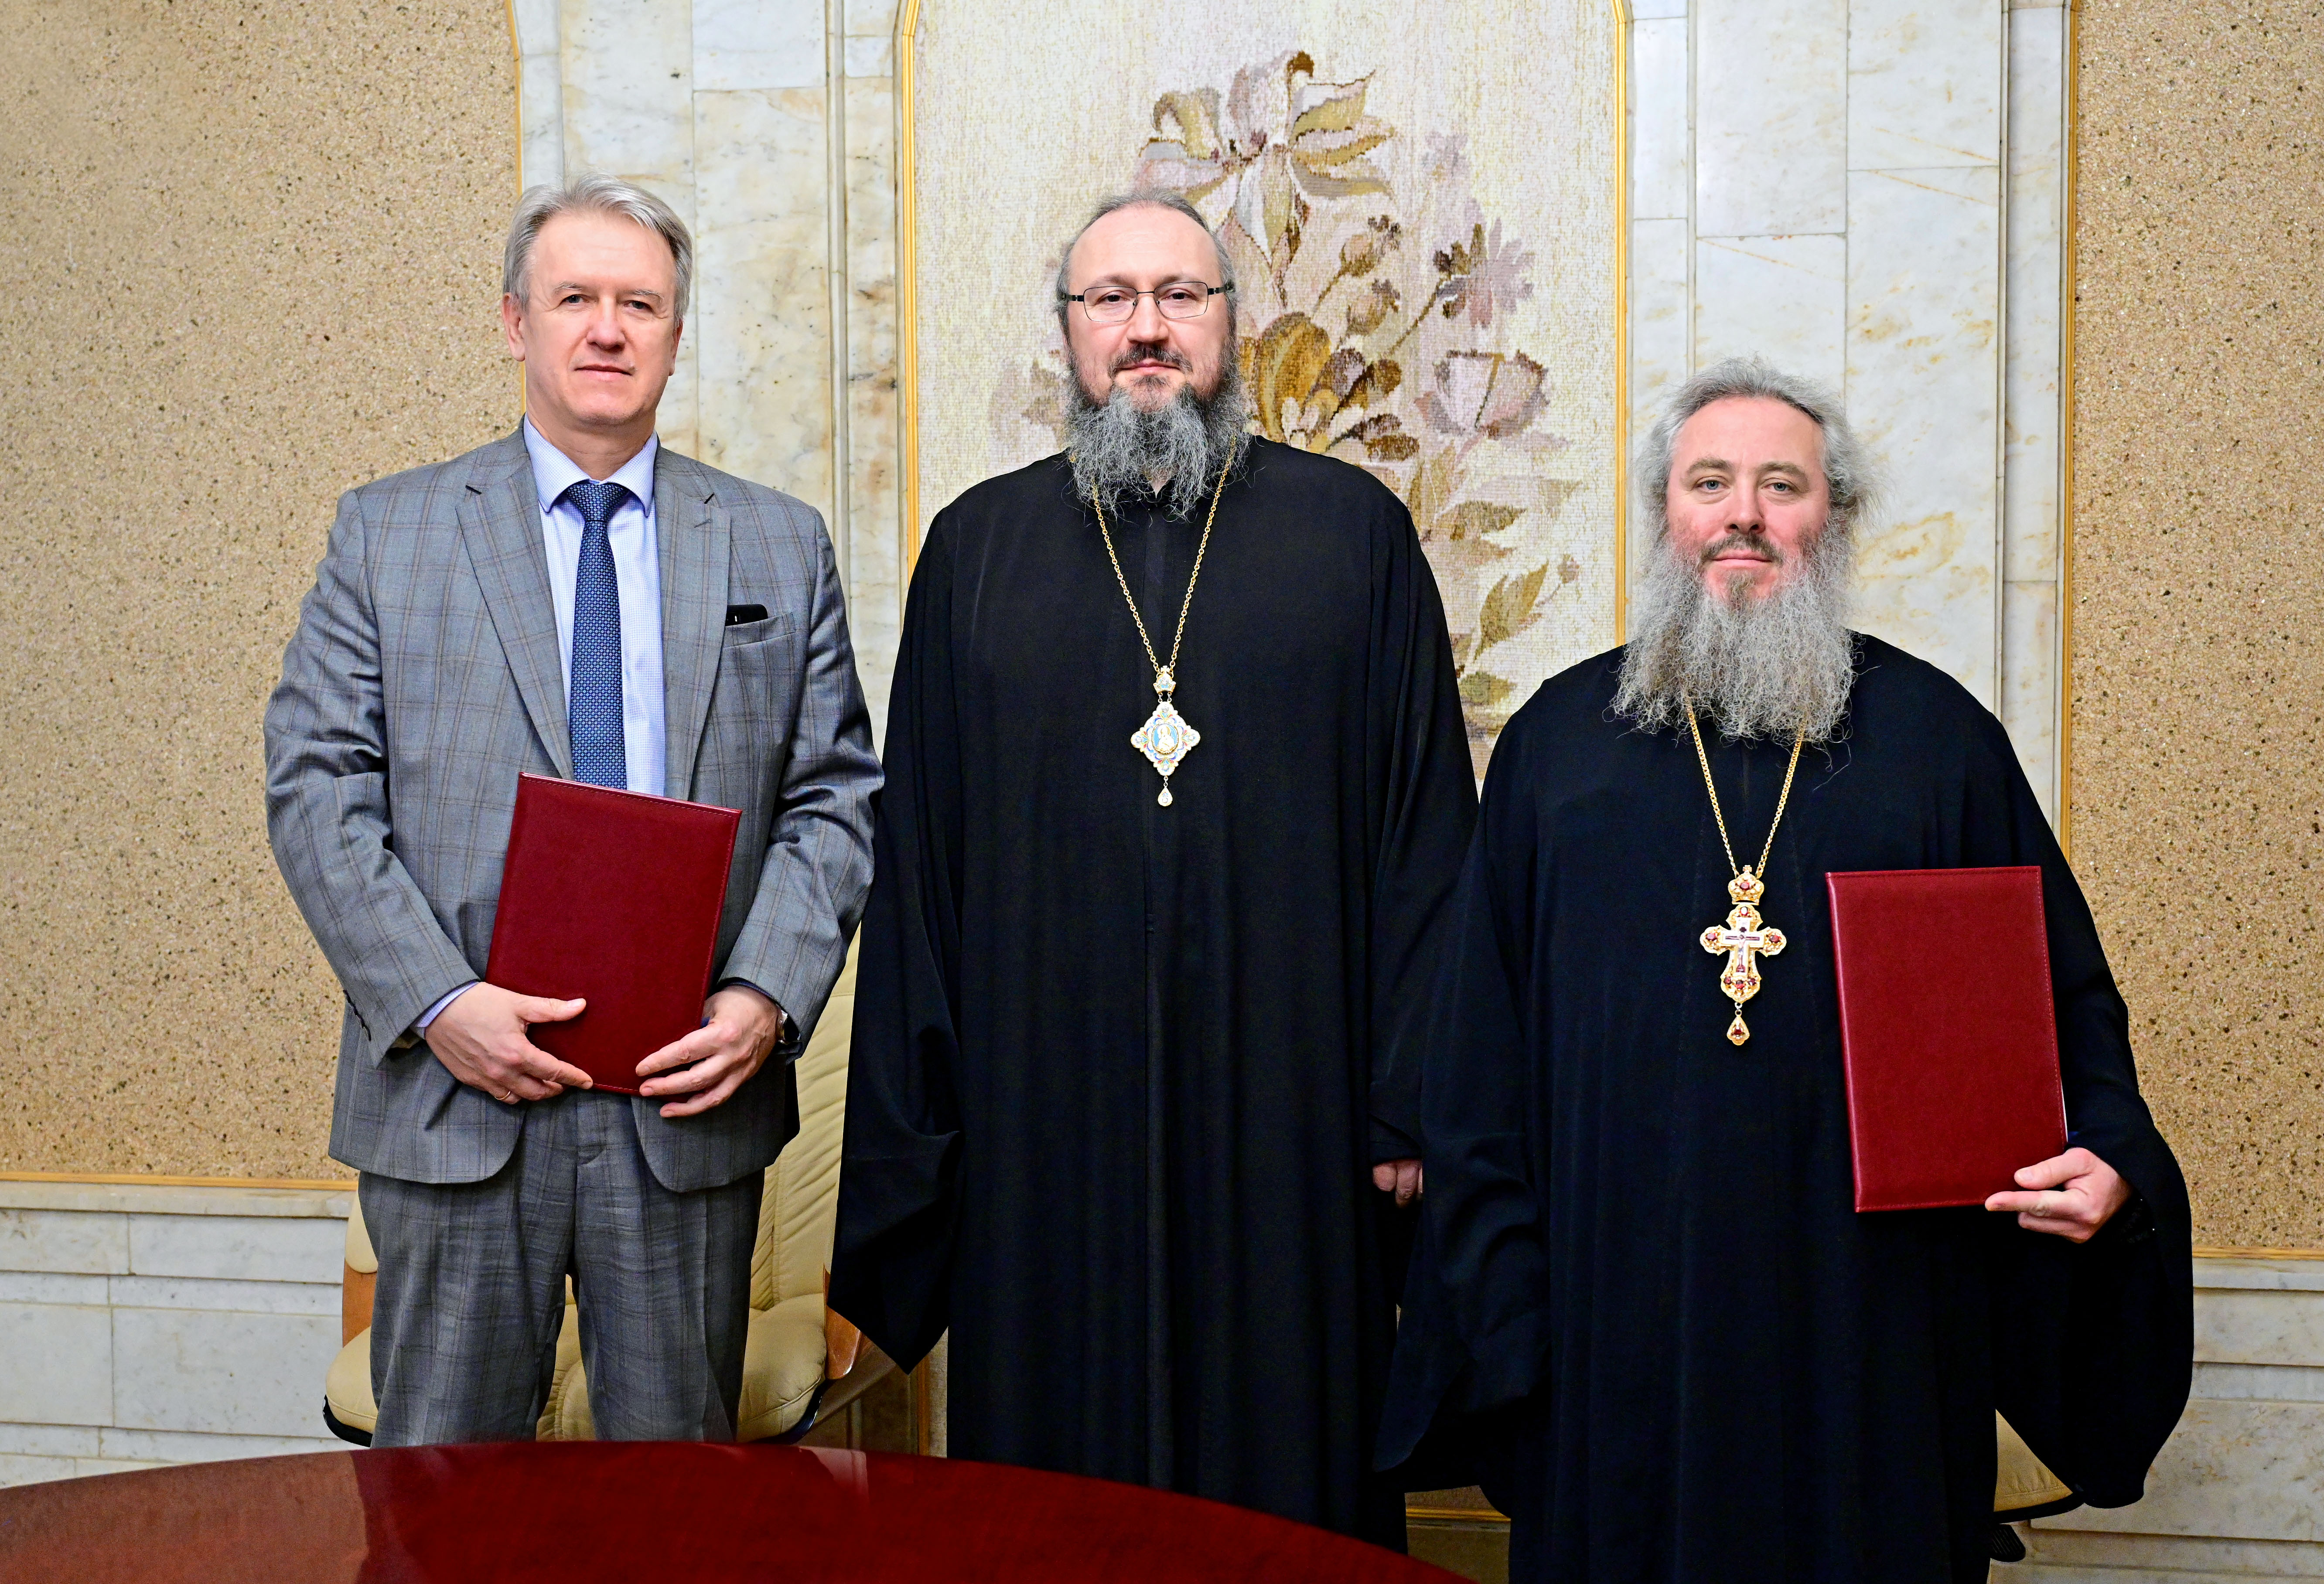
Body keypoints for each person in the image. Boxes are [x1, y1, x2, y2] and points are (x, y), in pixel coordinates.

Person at [1379, 358, 2193, 1582]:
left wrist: (2113, 1153)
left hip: (1874, 1339)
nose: (1743, 515)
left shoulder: (1935, 743)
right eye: (1709, 483)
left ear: (1834, 517)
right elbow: (1473, 1073)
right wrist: (1511, 1326)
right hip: (1614, 1345)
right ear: (1665, 511)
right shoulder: (1556, 749)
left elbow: (2060, 1000)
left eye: (1782, 485)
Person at [828, 192, 1477, 1543]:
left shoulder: (1353, 537)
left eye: (1180, 295)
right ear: (1067, 331)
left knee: (1290, 1477)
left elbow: (1426, 841)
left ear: (1231, 323)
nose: (1145, 328)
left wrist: (1408, 1105)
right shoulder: (975, 552)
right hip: (1040, 1137)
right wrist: (925, 1139)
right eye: (1110, 299)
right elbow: (919, 873)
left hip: (1293, 1128)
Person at [264, 174, 879, 1445]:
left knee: (676, 1510)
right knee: (445, 1506)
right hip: (455, 1100)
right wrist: (439, 1002)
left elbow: (834, 799)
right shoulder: (387, 533)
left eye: (639, 304)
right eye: (575, 299)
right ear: (515, 322)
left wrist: (762, 1000)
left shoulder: (778, 544)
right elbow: (317, 787)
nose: (608, 329)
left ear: (676, 331)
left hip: (684, 1101)